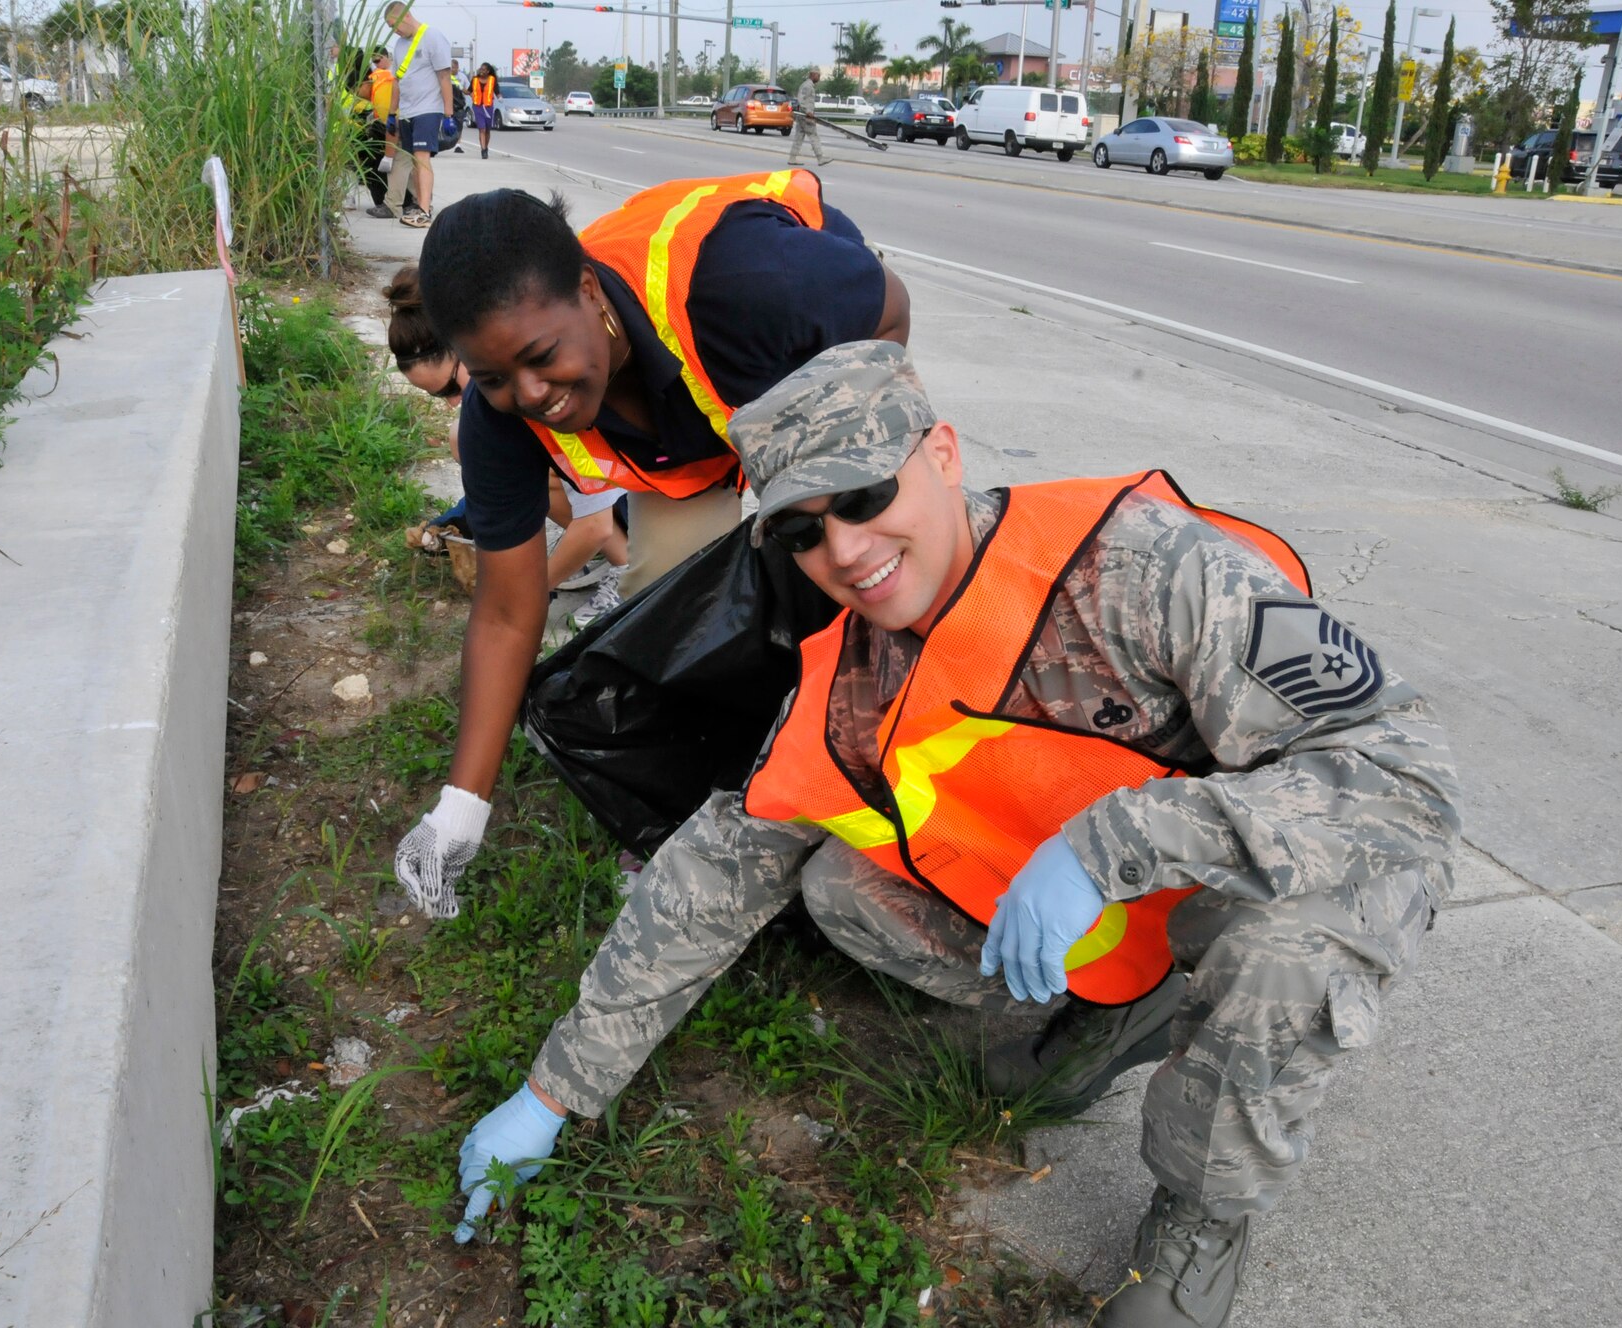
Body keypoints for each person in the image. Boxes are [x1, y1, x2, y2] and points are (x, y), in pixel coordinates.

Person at [450, 342, 1462, 1327]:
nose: (842, 548)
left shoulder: (1145, 568)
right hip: (1114, 906)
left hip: (1261, 869)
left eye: (862, 495)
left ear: (940, 456)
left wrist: (1101, 848)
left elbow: (1402, 777)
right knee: (841, 885)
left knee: (1281, 949)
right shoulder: (849, 674)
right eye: (800, 530)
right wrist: (550, 1092)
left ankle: (1202, 1215)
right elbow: (711, 874)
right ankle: (1118, 1009)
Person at [391, 175, 910, 918]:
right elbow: (507, 610)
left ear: (590, 290)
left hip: (796, 376)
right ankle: (705, 805)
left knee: (852, 573)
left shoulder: (752, 286)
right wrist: (459, 810)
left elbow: (889, 309)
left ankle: (887, 764)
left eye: (541, 356)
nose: (532, 394)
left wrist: (843, 472)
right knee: (671, 628)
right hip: (684, 447)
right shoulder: (498, 415)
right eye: (498, 376)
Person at [383, 265, 629, 616]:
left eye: (452, 388)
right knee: (465, 437)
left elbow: (595, 525)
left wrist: (529, 589)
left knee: (534, 471)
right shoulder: (498, 392)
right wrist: (449, 524)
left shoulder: (541, 392)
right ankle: (615, 554)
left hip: (653, 490)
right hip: (613, 489)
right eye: (440, 397)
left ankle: (629, 568)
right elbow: (497, 489)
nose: (454, 402)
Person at [379, 0, 455, 228]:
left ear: (407, 16)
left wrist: (448, 114)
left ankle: (423, 210)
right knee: (414, 161)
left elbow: (444, 77)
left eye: (395, 25)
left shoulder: (432, 37)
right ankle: (422, 206)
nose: (395, 31)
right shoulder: (400, 45)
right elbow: (397, 82)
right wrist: (392, 113)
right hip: (407, 112)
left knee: (422, 159)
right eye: (391, 28)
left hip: (428, 109)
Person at [352, 49, 398, 219]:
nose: (376, 65)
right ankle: (400, 202)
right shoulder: (377, 78)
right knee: (389, 165)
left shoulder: (383, 77)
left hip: (391, 126)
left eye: (378, 61)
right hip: (382, 126)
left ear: (388, 58)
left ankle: (407, 202)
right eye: (374, 62)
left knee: (393, 165)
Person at [787, 68, 829, 168]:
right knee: (814, 135)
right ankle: (820, 158)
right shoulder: (807, 86)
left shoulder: (809, 85)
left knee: (799, 137)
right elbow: (801, 99)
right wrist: (808, 112)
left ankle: (792, 158)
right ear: (813, 75)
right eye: (818, 76)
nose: (819, 78)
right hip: (805, 116)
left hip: (803, 115)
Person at [469, 62, 498, 160]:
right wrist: (464, 91)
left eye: (484, 70)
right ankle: (483, 150)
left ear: (488, 71)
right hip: (477, 107)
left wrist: (500, 97)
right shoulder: (474, 80)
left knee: (487, 130)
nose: (481, 71)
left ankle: (486, 146)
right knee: (482, 129)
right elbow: (469, 91)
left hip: (488, 107)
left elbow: (497, 92)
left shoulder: (492, 80)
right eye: (481, 69)